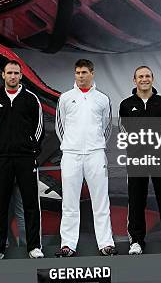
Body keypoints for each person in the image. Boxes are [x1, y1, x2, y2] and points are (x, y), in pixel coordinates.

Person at [119, 66, 161, 255]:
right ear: (135, 80)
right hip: (136, 159)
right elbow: (124, 130)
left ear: (152, 79)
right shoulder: (126, 104)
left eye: (147, 76)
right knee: (136, 200)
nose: (144, 79)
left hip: (160, 158)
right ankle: (136, 241)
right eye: (140, 76)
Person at [55, 59, 117, 257]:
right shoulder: (65, 98)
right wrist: (71, 145)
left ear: (92, 73)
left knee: (100, 201)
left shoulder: (102, 99)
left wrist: (96, 144)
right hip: (71, 155)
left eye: (84, 72)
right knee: (69, 202)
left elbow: (107, 128)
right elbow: (60, 127)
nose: (80, 76)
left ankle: (106, 243)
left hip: (96, 153)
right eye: (77, 73)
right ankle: (68, 244)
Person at [0, 60, 44, 260]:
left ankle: (34, 246)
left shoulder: (31, 99)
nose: (12, 76)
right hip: (2, 159)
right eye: (9, 72)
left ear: (21, 76)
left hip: (26, 159)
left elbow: (39, 128)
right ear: (3, 75)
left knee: (30, 205)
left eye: (16, 73)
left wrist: (31, 150)